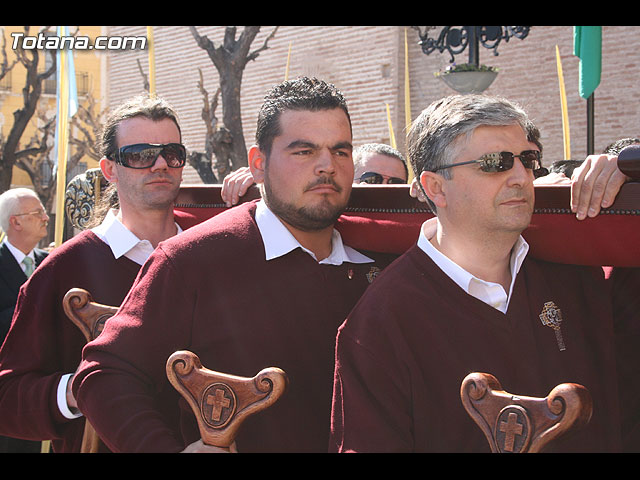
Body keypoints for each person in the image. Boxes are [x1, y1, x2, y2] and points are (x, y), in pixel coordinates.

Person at [71, 77, 391, 453]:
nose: (327, 166)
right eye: (303, 151)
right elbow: (104, 373)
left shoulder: (383, 262)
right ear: (258, 163)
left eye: (340, 151)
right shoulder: (192, 260)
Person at [329, 94, 624, 452]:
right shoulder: (379, 322)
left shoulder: (584, 277)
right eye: (494, 163)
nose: (520, 177)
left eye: (528, 160)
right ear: (436, 187)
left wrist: (631, 169)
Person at [0, 94, 192, 453]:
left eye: (172, 153)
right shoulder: (61, 270)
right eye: (140, 154)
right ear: (109, 170)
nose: (160, 164)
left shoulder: (209, 248)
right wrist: (79, 389)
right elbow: (7, 396)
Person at [0, 188, 49, 452]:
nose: (46, 217)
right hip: (8, 390)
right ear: (15, 222)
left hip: (43, 388)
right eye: (37, 213)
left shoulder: (51, 263)